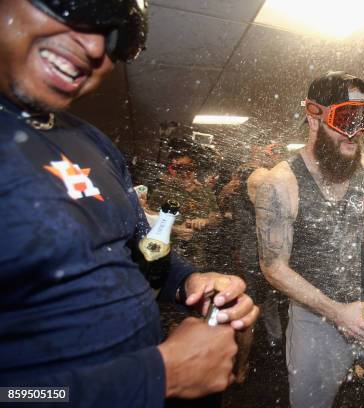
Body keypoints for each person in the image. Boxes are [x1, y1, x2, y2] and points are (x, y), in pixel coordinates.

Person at [0, 1, 258, 406]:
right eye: (75, 4)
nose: (94, 46)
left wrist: (189, 282)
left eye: (119, 36)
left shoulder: (93, 143)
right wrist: (158, 376)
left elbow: (139, 249)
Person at [254, 71, 364, 408]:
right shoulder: (281, 183)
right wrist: (338, 313)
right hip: (315, 320)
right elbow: (273, 267)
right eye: (346, 119)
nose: (356, 132)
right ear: (314, 115)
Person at [147, 137, 221, 268]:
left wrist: (206, 221)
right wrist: (174, 230)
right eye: (179, 168)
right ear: (172, 169)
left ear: (195, 169)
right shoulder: (162, 192)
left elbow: (216, 217)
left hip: (196, 258)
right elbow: (149, 219)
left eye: (189, 168)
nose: (184, 173)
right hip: (165, 256)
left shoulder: (205, 192)